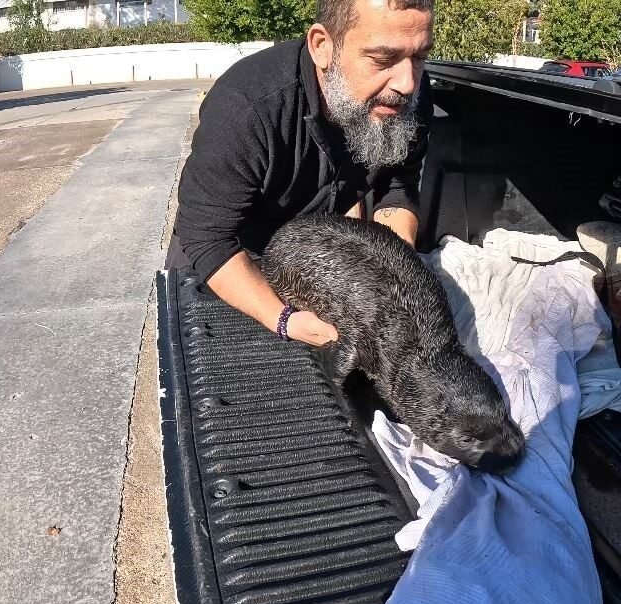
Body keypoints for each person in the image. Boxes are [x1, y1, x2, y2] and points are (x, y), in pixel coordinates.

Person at [165, 0, 435, 347]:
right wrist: (283, 319)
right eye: (383, 59)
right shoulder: (246, 106)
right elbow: (207, 237)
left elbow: (398, 186)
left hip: (312, 256)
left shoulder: (408, 96)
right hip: (225, 264)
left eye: (419, 56)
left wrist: (392, 277)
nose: (407, 83)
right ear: (323, 47)